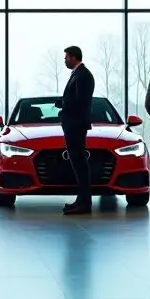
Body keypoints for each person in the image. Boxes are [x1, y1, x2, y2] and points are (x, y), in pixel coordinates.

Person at [58, 45, 95, 215]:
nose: (64, 60)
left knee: (80, 165)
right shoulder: (78, 74)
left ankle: (85, 204)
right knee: (79, 164)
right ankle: (81, 201)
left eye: (66, 57)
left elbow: (81, 101)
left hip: (76, 125)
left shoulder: (83, 75)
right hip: (74, 124)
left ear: (73, 57)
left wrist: (63, 105)